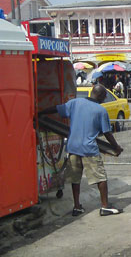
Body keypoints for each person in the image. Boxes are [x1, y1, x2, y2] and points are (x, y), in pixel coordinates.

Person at [40, 84, 124, 216]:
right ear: (101, 96)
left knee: (75, 179)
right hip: (89, 149)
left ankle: (77, 206)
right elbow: (107, 133)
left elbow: (56, 109)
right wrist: (116, 147)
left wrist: (39, 113)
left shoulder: (74, 103)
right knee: (101, 178)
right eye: (104, 96)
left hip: (73, 148)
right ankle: (105, 206)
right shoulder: (100, 110)